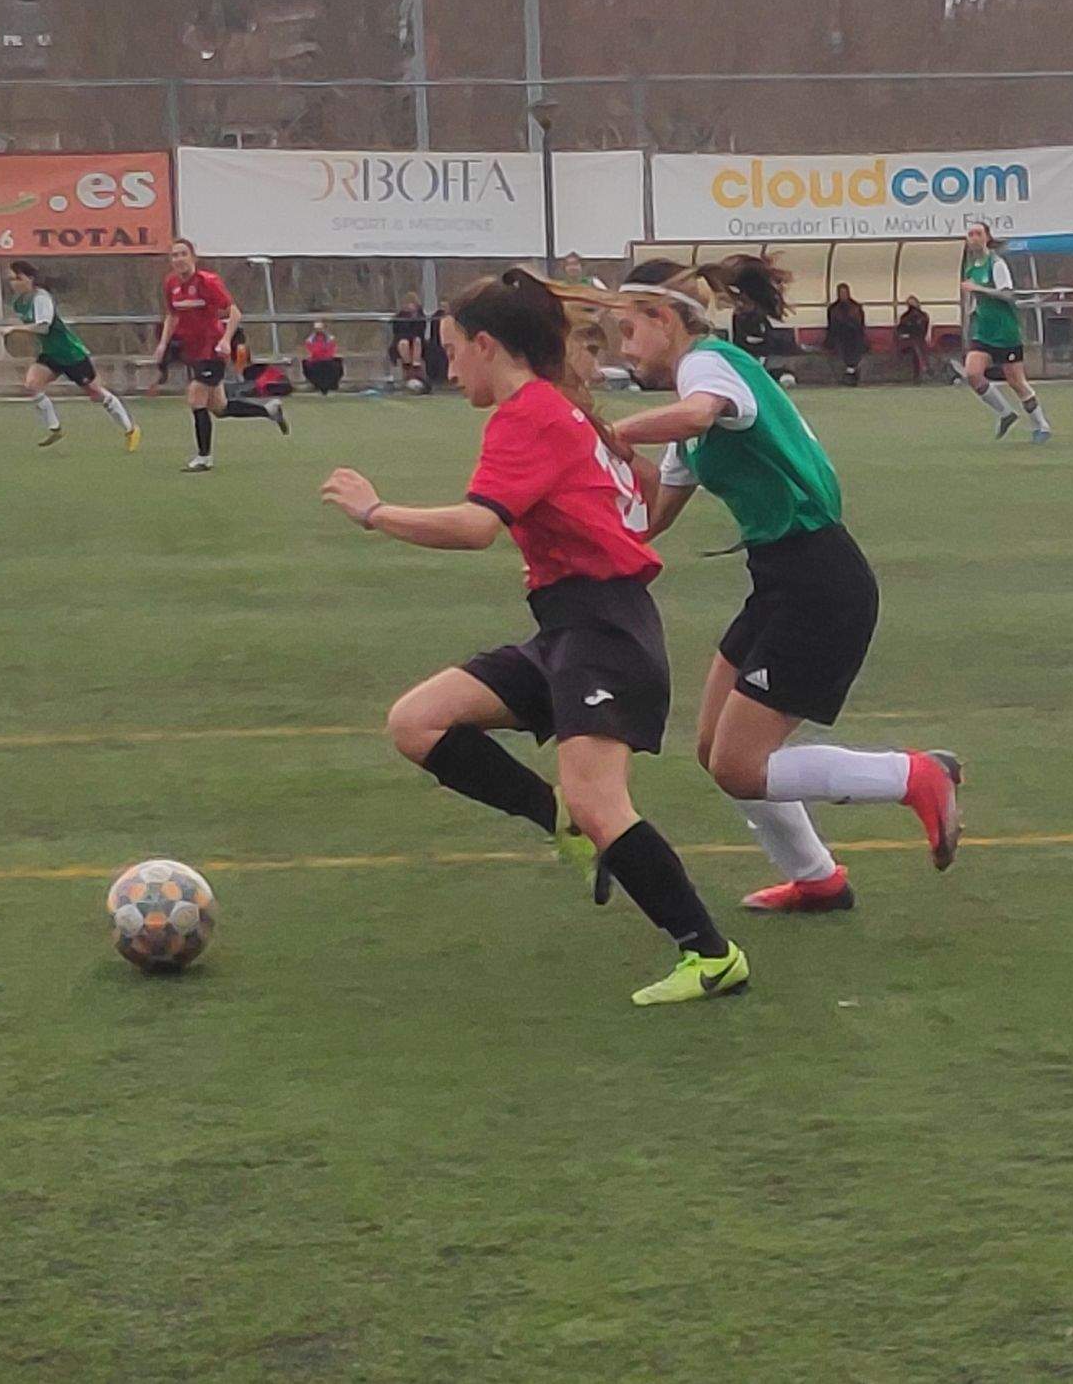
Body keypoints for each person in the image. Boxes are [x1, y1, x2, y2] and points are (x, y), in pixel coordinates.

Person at [318, 269, 750, 1007]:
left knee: (600, 800)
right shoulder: (558, 410)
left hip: (606, 631)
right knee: (417, 722)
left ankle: (711, 955)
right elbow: (633, 493)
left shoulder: (530, 415)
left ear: (487, 346)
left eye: (453, 350)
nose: (449, 368)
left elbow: (477, 526)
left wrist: (374, 512)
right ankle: (552, 816)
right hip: (569, 627)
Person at [583, 256, 963, 914]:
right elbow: (648, 518)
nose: (625, 348)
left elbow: (701, 414)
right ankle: (817, 879)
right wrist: (585, 474)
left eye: (628, 331)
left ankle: (915, 776)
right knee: (714, 751)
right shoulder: (686, 416)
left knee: (740, 765)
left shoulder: (707, 365)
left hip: (819, 581)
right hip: (780, 582)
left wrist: (615, 431)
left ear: (664, 319)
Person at [151, 239, 282, 473]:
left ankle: (204, 457)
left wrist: (225, 340)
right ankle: (268, 410)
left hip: (212, 349)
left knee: (195, 397)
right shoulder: (170, 283)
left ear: (193, 257)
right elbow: (172, 315)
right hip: (192, 350)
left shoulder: (208, 282)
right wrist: (163, 344)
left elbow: (234, 312)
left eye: (183, 254)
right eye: (174, 255)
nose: (178, 259)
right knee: (219, 407)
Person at [4, 260, 137, 451]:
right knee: (32, 385)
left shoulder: (41, 298)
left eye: (18, 278)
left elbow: (43, 326)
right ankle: (55, 428)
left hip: (70, 353)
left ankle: (130, 429)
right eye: (11, 279)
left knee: (95, 393)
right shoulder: (19, 302)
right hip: (51, 354)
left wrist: (15, 329)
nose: (13, 283)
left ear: (30, 279)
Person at [957, 223, 1048, 442]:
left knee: (1016, 382)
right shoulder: (971, 267)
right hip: (984, 332)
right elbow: (976, 300)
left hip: (1005, 332)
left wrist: (979, 289)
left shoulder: (996, 264)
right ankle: (1006, 413)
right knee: (973, 373)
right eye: (970, 234)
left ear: (987, 237)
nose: (973, 237)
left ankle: (1041, 425)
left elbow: (1008, 295)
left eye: (978, 233)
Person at [824, 283, 866, 380]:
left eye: (844, 292)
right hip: (839, 336)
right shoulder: (833, 308)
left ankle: (852, 370)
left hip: (854, 336)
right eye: (841, 293)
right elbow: (831, 326)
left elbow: (860, 325)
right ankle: (847, 371)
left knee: (856, 346)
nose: (843, 295)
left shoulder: (856, 307)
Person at [389, 293, 430, 386]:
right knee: (404, 343)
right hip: (402, 338)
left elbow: (420, 331)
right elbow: (397, 331)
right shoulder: (400, 316)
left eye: (412, 304)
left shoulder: (420, 316)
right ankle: (407, 366)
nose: (410, 306)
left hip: (417, 338)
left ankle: (416, 365)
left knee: (417, 342)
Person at [299, 320, 344, 395]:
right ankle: (318, 386)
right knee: (310, 365)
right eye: (317, 328)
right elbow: (311, 350)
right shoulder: (310, 339)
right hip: (316, 360)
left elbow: (331, 350)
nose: (319, 330)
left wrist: (323, 354)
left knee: (335, 365)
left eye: (320, 328)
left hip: (327, 360)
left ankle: (330, 386)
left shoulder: (330, 338)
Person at [893, 297, 932, 380]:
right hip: (907, 341)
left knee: (916, 344)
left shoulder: (922, 316)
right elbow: (900, 330)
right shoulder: (906, 316)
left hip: (917, 340)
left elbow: (923, 330)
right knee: (916, 344)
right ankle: (925, 367)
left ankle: (923, 368)